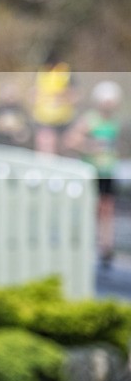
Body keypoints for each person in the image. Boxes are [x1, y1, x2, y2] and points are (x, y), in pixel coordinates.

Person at [65, 80, 124, 268]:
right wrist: (90, 147)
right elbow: (71, 140)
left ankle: (106, 246)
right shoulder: (90, 120)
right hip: (92, 172)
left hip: (108, 172)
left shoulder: (114, 122)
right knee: (91, 208)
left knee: (107, 208)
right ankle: (84, 243)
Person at [32, 51, 77, 154]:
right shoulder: (41, 72)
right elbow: (34, 93)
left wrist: (61, 98)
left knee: (65, 147)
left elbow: (74, 95)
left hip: (63, 119)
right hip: (43, 118)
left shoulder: (66, 72)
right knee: (46, 147)